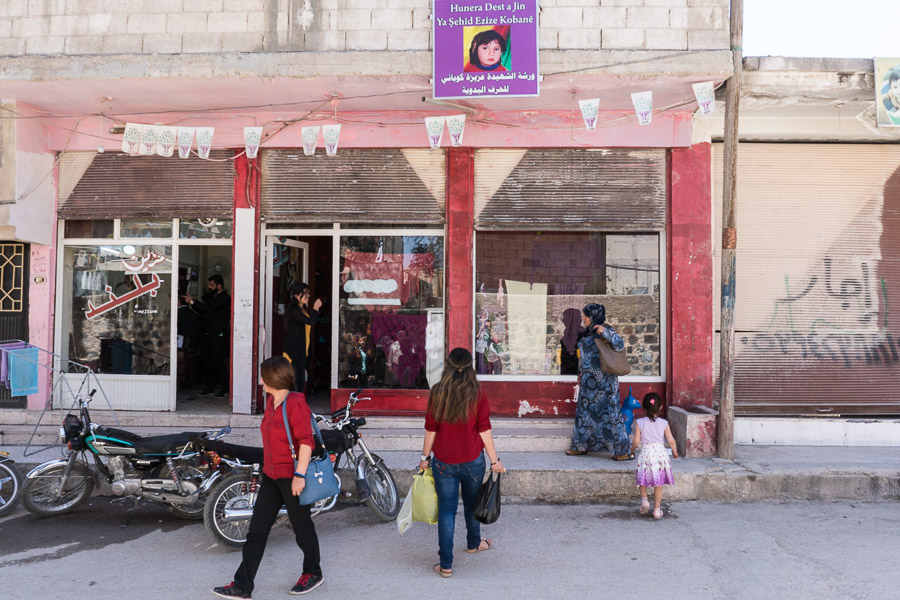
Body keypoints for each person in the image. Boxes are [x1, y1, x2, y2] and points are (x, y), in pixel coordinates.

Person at [211, 356, 324, 599]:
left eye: (263, 375)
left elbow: (306, 442)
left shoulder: (295, 403)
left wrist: (299, 476)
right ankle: (242, 586)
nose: (260, 380)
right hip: (271, 476)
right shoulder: (272, 402)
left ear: (272, 378)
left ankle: (313, 572)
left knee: (302, 528)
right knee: (256, 531)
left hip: (291, 477)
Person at [418, 348, 505, 578]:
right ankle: (474, 543)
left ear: (447, 366)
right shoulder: (477, 392)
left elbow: (431, 429)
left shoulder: (437, 392)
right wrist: (495, 460)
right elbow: (484, 428)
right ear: (469, 368)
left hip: (444, 461)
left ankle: (445, 564)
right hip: (473, 460)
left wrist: (424, 458)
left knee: (447, 511)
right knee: (471, 504)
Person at [565, 303, 633, 460]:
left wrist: (605, 332)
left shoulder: (607, 331)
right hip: (589, 383)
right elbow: (583, 357)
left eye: (585, 316)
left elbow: (620, 345)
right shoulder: (586, 334)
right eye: (582, 316)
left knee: (612, 416)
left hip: (605, 384)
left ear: (594, 317)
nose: (583, 319)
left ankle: (621, 451)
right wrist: (580, 374)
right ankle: (579, 446)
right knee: (584, 415)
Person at [631, 392, 678, 520]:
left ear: (644, 408)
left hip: (646, 452)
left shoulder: (640, 422)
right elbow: (671, 440)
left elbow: (635, 441)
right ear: (661, 407)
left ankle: (645, 501)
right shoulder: (664, 423)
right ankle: (657, 510)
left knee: (643, 479)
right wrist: (674, 451)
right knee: (659, 484)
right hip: (660, 454)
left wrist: (632, 449)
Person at [185, 274, 231, 397]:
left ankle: (225, 387)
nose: (210, 287)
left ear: (219, 285)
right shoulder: (213, 297)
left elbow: (210, 309)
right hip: (208, 334)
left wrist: (194, 301)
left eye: (212, 285)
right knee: (207, 361)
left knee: (218, 361)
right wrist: (193, 303)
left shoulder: (224, 298)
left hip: (218, 334)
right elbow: (203, 310)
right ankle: (209, 387)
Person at [283, 282, 323, 395]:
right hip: (294, 351)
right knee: (295, 383)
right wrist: (315, 308)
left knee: (300, 381)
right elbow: (311, 322)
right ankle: (292, 408)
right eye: (304, 293)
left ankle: (297, 406)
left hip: (302, 351)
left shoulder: (303, 310)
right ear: (296, 296)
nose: (308, 296)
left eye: (308, 293)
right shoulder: (293, 310)